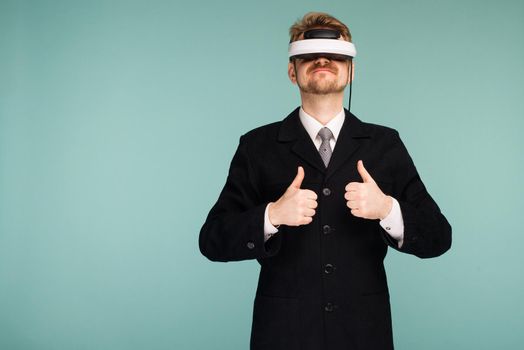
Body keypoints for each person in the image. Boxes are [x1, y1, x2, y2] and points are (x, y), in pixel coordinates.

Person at [199, 12, 451, 350]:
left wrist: (387, 209)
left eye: (335, 55)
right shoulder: (257, 146)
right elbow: (212, 240)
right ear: (292, 71)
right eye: (309, 55)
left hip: (363, 331)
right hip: (284, 332)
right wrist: (271, 215)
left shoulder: (385, 144)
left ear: (350, 69)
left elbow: (439, 236)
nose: (322, 59)